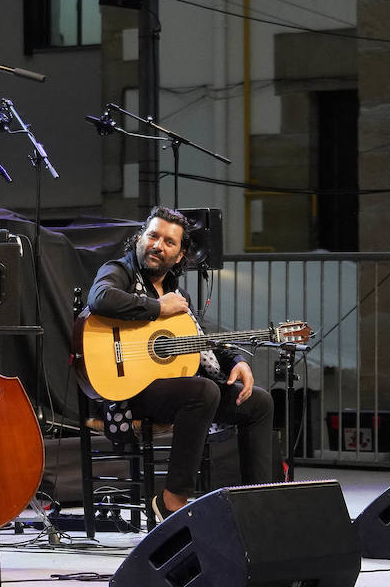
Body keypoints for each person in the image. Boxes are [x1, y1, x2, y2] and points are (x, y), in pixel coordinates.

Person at [86, 206, 276, 520]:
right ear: (140, 238)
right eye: (152, 236)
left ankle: (257, 506)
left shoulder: (177, 292)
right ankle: (172, 499)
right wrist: (157, 307)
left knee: (259, 402)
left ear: (180, 253)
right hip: (129, 391)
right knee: (203, 391)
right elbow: (100, 298)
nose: (158, 245)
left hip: (175, 391)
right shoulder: (120, 270)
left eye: (169, 242)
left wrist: (237, 361)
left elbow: (198, 339)